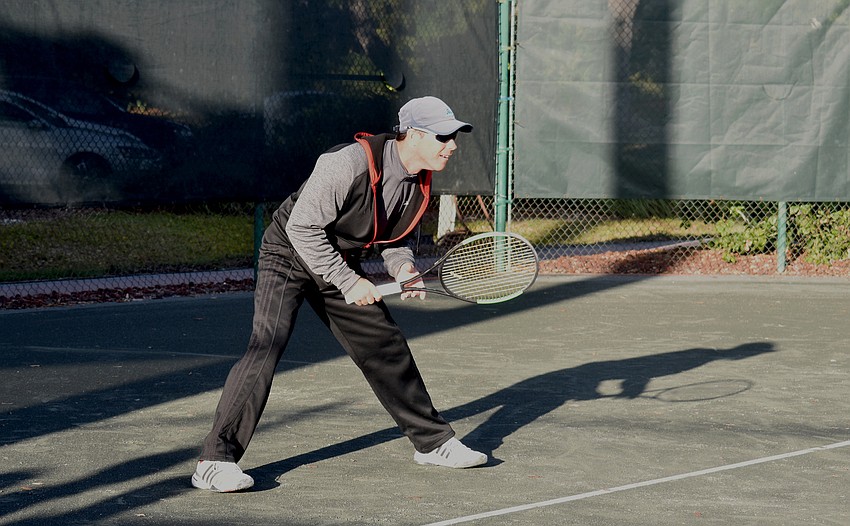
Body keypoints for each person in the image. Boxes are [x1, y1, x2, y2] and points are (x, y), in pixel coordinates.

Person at [191, 96, 488, 492]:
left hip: (339, 259)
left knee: (385, 344)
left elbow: (395, 239)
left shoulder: (419, 182)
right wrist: (348, 282)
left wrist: (403, 268)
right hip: (290, 253)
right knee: (268, 344)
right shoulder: (345, 163)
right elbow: (302, 229)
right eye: (443, 136)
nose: (452, 145)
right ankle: (215, 460)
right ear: (413, 135)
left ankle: (433, 443)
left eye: (454, 137)